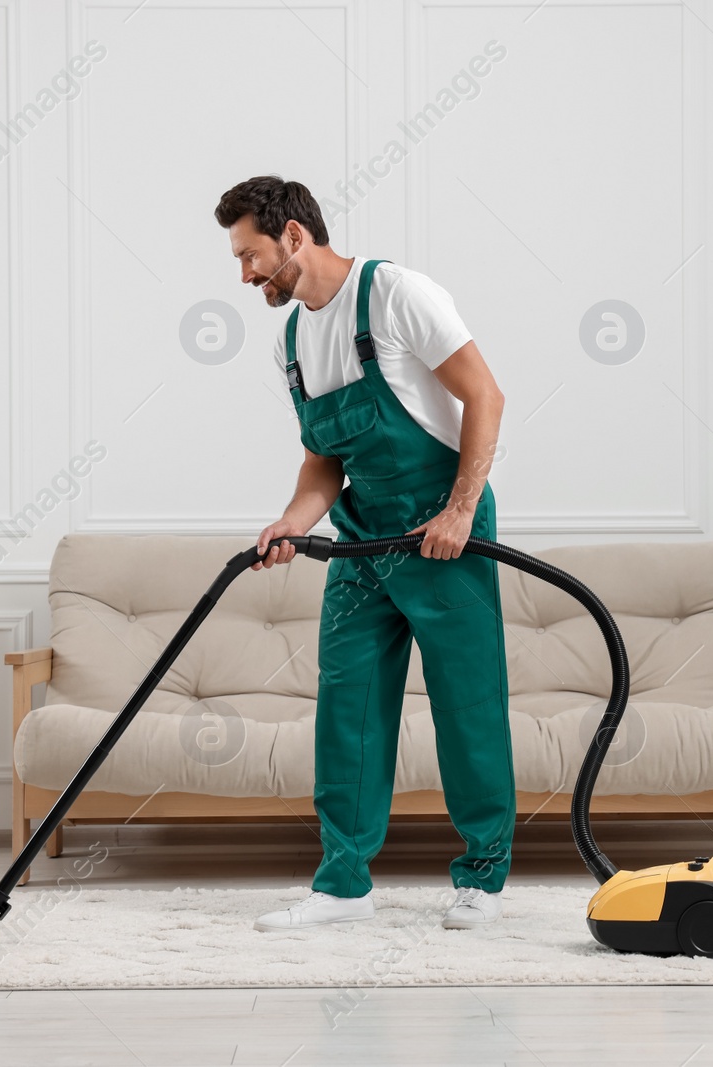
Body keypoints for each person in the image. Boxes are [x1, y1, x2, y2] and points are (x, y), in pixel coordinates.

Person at [214, 176, 513, 932]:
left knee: (466, 703)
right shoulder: (292, 338)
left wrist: (459, 509)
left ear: (292, 237)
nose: (244, 275)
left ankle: (482, 875)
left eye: (250, 255)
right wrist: (290, 519)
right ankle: (343, 883)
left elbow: (486, 396)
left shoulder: (396, 294)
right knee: (347, 705)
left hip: (445, 527)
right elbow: (325, 460)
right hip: (363, 535)